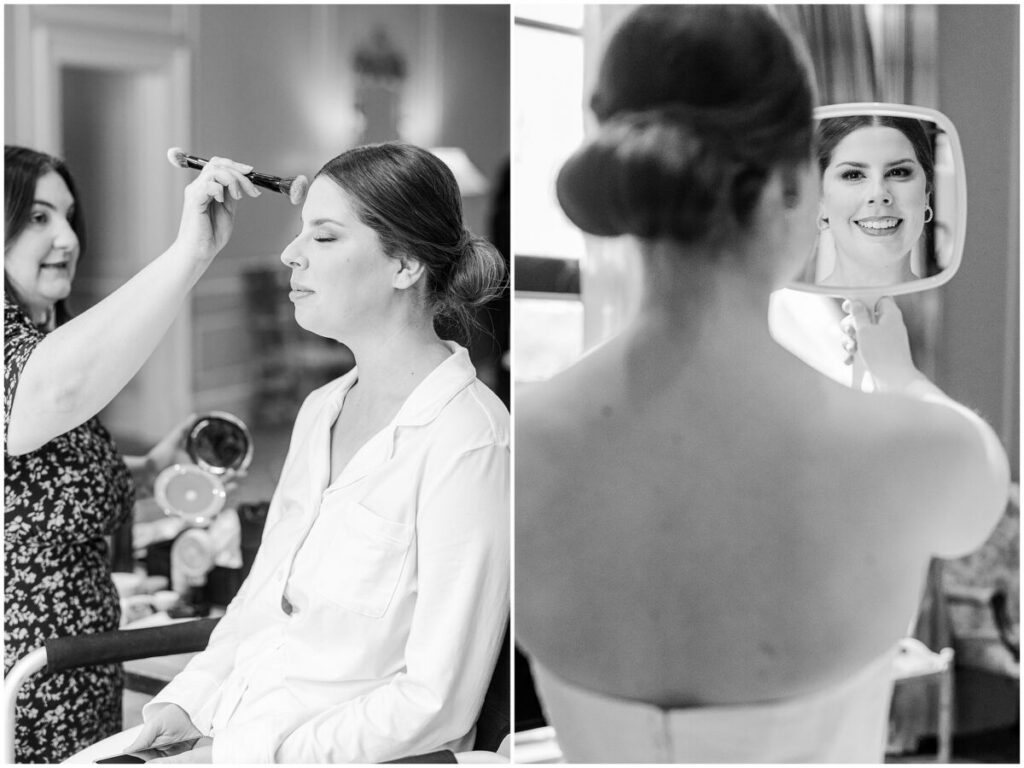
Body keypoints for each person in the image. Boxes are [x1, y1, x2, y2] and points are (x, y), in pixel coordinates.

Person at [515, 5, 1009, 763]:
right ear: (792, 187)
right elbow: (980, 499)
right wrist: (900, 376)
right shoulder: (916, 452)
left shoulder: (517, 443)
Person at [127, 142, 510, 763]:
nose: (290, 253)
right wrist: (188, 703)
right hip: (231, 730)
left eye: (324, 237)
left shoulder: (470, 441)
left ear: (406, 264)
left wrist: (254, 754)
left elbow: (435, 701)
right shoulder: (321, 409)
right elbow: (260, 598)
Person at [4, 145, 259, 763]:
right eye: (37, 217)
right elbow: (48, 394)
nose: (67, 238)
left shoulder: (37, 336)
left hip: (79, 659)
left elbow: (32, 487)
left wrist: (149, 471)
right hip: (24, 671)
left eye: (69, 216)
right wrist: (190, 253)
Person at [816, 116, 934, 288]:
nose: (878, 193)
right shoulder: (780, 304)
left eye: (898, 172)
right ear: (820, 198)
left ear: (927, 193)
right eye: (853, 175)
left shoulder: (963, 302)